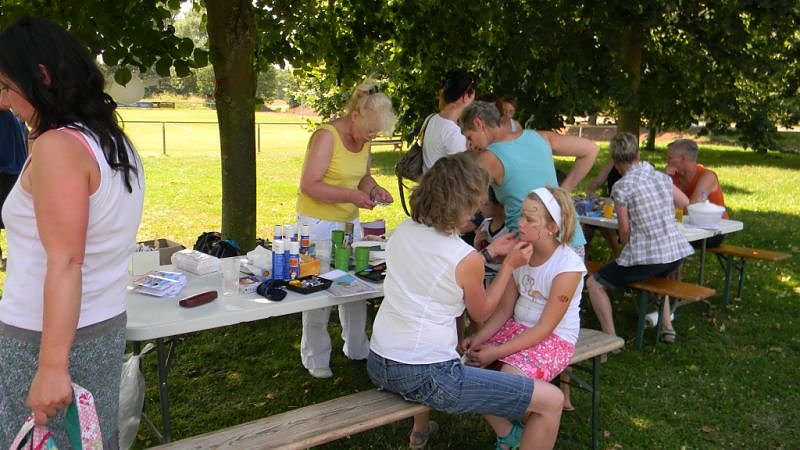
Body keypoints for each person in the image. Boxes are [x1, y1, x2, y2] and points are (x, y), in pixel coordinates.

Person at [0, 17, 145, 447]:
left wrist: (51, 367)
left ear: (41, 76)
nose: (3, 102)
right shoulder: (111, 140)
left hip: (43, 339)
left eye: (7, 87)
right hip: (101, 327)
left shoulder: (59, 148)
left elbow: (66, 260)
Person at [368, 153, 564, 450]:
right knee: (552, 400)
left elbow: (442, 270)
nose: (475, 213)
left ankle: (506, 434)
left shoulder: (403, 232)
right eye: (473, 205)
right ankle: (513, 436)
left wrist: (488, 253)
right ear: (459, 205)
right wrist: (508, 266)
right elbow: (481, 311)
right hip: (426, 374)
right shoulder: (463, 257)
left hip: (380, 361)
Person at [296, 80, 396, 379]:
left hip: (348, 223)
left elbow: (363, 177)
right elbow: (309, 185)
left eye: (376, 133)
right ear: (355, 116)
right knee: (317, 288)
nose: (371, 137)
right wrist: (352, 196)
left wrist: (374, 189)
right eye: (370, 131)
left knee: (355, 283)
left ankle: (357, 347)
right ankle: (315, 356)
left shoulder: (364, 136)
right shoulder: (326, 137)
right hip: (317, 224)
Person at [463, 187, 586, 413]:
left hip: (554, 339)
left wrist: (496, 352)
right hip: (517, 329)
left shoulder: (567, 267)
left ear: (552, 228)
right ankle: (511, 429)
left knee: (510, 378)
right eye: (521, 215)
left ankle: (529, 424)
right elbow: (505, 309)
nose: (520, 223)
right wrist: (478, 339)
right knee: (469, 369)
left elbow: (545, 328)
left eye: (529, 220)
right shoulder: (520, 256)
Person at [459, 100, 599, 261]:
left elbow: (463, 196)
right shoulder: (539, 137)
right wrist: (563, 191)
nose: (469, 145)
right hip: (571, 238)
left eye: (469, 137)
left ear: (479, 124)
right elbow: (591, 149)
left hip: (534, 246)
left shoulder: (488, 158)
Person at [586, 133, 692, 344]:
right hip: (675, 252)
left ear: (616, 163)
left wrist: (625, 243)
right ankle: (667, 327)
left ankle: (611, 338)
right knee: (658, 276)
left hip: (649, 257)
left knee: (594, 283)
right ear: (638, 155)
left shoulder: (622, 187)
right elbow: (684, 202)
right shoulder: (661, 177)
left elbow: (624, 231)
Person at [666, 138, 728, 248]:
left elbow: (692, 208)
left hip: (713, 231)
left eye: (670, 158)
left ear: (683, 158)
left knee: (667, 239)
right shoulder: (672, 176)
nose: (667, 162)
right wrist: (664, 178)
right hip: (685, 226)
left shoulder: (707, 176)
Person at [421, 70, 476, 172]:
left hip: (429, 180)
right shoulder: (453, 133)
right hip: (444, 182)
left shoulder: (431, 119)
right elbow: (464, 174)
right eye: (472, 99)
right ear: (465, 97)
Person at [0, 108, 28, 264]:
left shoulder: (8, 116)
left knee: (15, 220)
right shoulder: (12, 116)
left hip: (8, 173)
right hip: (17, 172)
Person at [583, 160, 623, 258]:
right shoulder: (611, 165)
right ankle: (582, 258)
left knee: (605, 221)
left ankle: (617, 255)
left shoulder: (637, 171)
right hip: (611, 209)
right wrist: (599, 201)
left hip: (627, 210)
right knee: (588, 224)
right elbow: (590, 189)